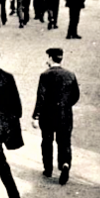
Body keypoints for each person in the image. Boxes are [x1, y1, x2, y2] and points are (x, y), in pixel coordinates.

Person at [33, 48, 80, 185]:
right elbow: (75, 95)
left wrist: (36, 116)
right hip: (65, 114)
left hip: (48, 115)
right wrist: (65, 105)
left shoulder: (45, 75)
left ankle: (48, 169)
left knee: (47, 141)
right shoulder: (70, 74)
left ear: (50, 58)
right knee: (64, 142)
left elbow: (40, 97)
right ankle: (65, 164)